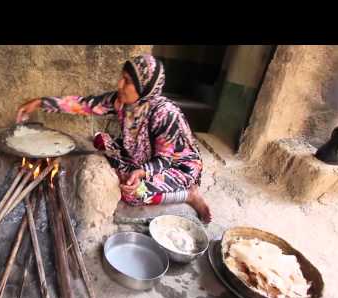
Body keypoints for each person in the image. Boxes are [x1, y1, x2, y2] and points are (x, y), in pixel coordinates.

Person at [16, 54, 212, 224]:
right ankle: (135, 173)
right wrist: (41, 102)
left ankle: (188, 195)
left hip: (176, 166)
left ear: (144, 86)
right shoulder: (120, 102)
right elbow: (83, 105)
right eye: (122, 78)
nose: (119, 85)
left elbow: (164, 159)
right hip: (142, 155)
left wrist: (141, 173)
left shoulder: (165, 114)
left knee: (133, 193)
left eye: (127, 81)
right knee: (101, 141)